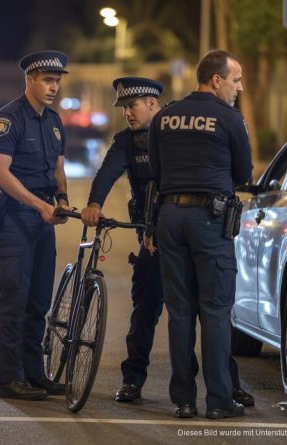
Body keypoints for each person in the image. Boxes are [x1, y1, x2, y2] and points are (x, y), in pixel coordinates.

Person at [147, 50, 253, 419]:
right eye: (236, 80)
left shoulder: (164, 117)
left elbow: (156, 172)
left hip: (170, 216)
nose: (239, 88)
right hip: (210, 219)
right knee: (215, 310)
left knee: (179, 312)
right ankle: (220, 401)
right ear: (216, 80)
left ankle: (184, 400)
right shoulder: (229, 118)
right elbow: (243, 172)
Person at [0, 50, 71, 401]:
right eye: (47, 80)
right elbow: (0, 173)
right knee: (14, 299)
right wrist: (40, 205)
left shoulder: (53, 121)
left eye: (57, 81)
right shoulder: (8, 120)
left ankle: (34, 374)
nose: (53, 87)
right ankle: (10, 379)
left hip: (42, 219)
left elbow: (58, 169)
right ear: (30, 80)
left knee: (38, 301)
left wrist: (62, 200)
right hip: (14, 218)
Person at [80, 77, 164, 403]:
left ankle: (226, 383)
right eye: (124, 107)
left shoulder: (175, 135)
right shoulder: (126, 141)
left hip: (179, 233)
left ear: (153, 103)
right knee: (144, 309)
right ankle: (133, 380)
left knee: (205, 312)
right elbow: (107, 172)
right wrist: (94, 204)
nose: (127, 113)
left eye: (133, 105)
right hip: (149, 236)